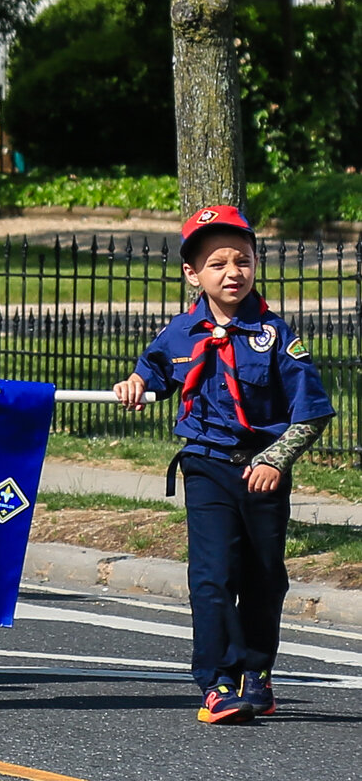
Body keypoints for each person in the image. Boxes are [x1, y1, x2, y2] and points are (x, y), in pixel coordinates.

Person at [114, 206, 333, 724]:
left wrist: (276, 459)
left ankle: (256, 672)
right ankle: (215, 683)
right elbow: (154, 372)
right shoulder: (182, 331)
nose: (233, 272)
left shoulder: (276, 336)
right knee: (211, 576)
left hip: (261, 472)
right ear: (192, 273)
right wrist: (136, 384)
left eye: (243, 260)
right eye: (217, 263)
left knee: (262, 576)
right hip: (206, 465)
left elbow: (313, 412)